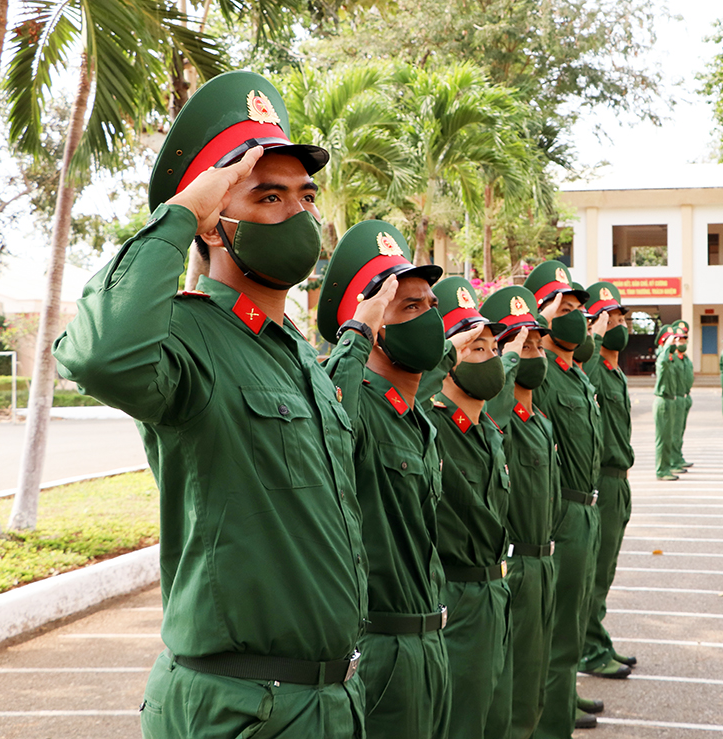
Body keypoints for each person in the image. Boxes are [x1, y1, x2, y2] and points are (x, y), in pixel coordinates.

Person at [54, 71, 373, 738]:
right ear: (217, 223)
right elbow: (99, 355)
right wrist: (178, 214)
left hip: (328, 698)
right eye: (267, 196)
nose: (298, 212)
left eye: (305, 195)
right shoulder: (188, 336)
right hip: (240, 708)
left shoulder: (295, 355)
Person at [318, 219, 453, 739]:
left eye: (430, 304)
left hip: (430, 642)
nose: (428, 319)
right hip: (383, 650)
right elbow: (329, 425)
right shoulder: (356, 403)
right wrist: (357, 333)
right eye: (408, 307)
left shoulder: (412, 415)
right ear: (373, 325)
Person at [424, 276, 513, 739]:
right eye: (475, 349)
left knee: (495, 721)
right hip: (454, 602)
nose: (492, 357)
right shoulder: (431, 426)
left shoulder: (487, 431)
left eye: (492, 349)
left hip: (496, 594)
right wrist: (440, 351)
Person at [524, 261, 603, 738]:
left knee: (572, 622)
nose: (576, 316)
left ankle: (564, 698)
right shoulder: (543, 372)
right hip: (562, 513)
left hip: (587, 510)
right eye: (564, 308)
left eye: (579, 309)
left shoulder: (576, 372)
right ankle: (554, 721)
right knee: (554, 636)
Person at [481, 287, 562, 739]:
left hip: (544, 560)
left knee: (533, 685)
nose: (533, 353)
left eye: (536, 344)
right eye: (520, 345)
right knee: (509, 700)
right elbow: (490, 419)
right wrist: (507, 357)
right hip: (515, 567)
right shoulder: (499, 418)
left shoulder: (539, 419)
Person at [579, 282, 638, 687]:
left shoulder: (615, 370)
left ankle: (597, 637)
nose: (619, 324)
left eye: (621, 318)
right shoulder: (593, 367)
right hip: (600, 480)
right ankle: (589, 650)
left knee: (606, 570)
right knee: (593, 574)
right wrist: (593, 335)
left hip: (620, 480)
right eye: (610, 318)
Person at [652, 325, 682, 480]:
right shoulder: (661, 359)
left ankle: (667, 467)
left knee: (669, 437)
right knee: (663, 439)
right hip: (663, 402)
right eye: (672, 340)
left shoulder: (670, 359)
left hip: (670, 401)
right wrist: (667, 345)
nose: (675, 342)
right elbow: (662, 361)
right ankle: (661, 470)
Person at [668, 321, 694, 470]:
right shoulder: (672, 358)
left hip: (685, 397)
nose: (682, 342)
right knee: (674, 432)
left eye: (684, 339)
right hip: (676, 397)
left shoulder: (686, 358)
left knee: (680, 430)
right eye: (678, 339)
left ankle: (678, 456)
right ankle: (673, 460)